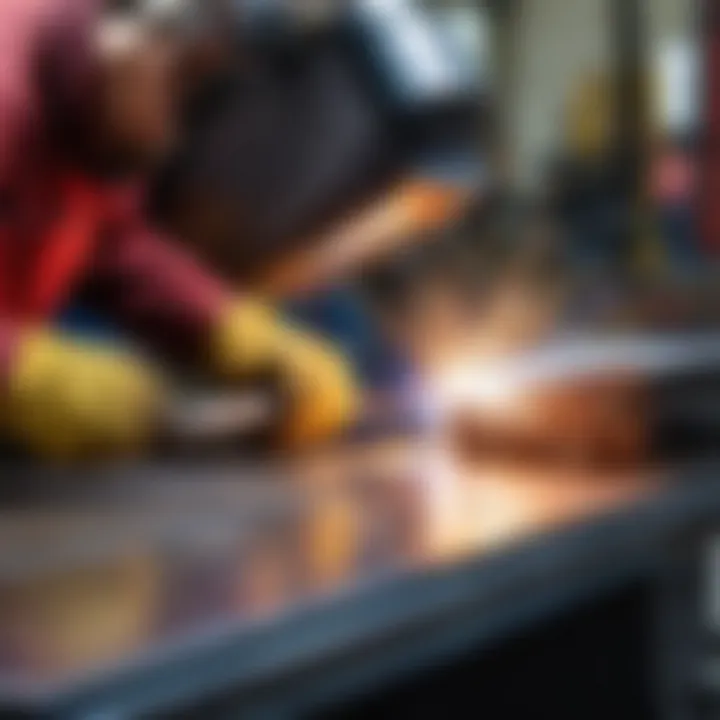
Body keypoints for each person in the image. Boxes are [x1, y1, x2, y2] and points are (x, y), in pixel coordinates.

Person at [0, 0, 358, 461]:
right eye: (180, 83)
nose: (172, 132)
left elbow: (112, 241)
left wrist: (230, 330)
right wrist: (17, 373)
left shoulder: (93, 98)